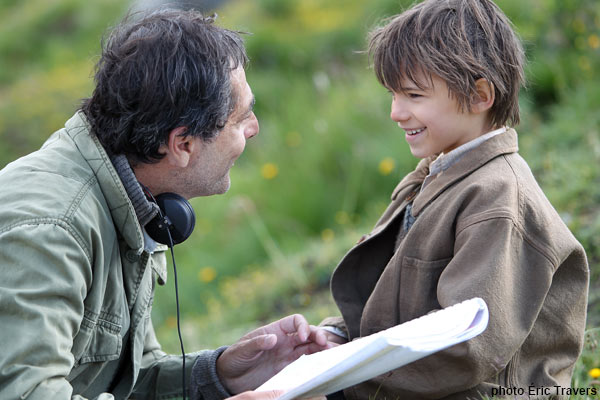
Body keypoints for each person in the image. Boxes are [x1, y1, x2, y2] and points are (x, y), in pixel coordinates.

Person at [0, 9, 331, 400]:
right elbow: (26, 393)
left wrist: (220, 376)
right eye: (241, 118)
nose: (254, 128)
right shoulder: (51, 230)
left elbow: (126, 382)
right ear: (182, 144)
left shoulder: (136, 198)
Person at [320, 0, 589, 398]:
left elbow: (466, 347)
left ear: (480, 95)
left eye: (413, 95)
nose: (396, 112)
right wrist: (335, 338)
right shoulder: (433, 176)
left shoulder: (497, 198)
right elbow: (400, 301)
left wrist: (347, 373)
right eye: (393, 94)